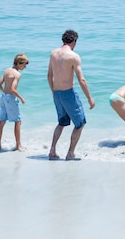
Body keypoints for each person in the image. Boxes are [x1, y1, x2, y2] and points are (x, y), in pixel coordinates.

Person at [47, 30, 95, 160]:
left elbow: (49, 76)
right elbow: (82, 80)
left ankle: (52, 150)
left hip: (57, 93)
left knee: (61, 122)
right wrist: (90, 98)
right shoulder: (73, 56)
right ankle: (70, 153)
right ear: (74, 41)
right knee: (80, 123)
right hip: (69, 93)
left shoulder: (53, 53)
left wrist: (54, 92)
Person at [0, 53, 29, 152]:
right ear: (19, 63)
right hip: (10, 99)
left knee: (2, 121)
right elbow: (13, 89)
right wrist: (21, 98)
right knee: (18, 122)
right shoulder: (17, 74)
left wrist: (5, 94)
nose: (25, 67)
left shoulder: (7, 70)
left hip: (3, 98)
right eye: (24, 65)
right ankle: (19, 145)